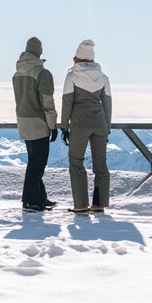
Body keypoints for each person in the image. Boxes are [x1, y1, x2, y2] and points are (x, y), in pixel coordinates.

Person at [59, 39, 112, 214]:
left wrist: (64, 127)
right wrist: (107, 127)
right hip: (99, 124)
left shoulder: (72, 75)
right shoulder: (103, 77)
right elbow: (107, 104)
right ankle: (99, 204)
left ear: (77, 58)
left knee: (76, 162)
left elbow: (67, 103)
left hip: (80, 124)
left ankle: (81, 205)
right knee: (100, 164)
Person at [12, 36, 58, 212]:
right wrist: (53, 125)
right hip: (38, 122)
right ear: (39, 51)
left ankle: (40, 197)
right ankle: (30, 201)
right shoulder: (42, 73)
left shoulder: (17, 74)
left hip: (23, 121)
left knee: (34, 161)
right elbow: (47, 101)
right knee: (37, 164)